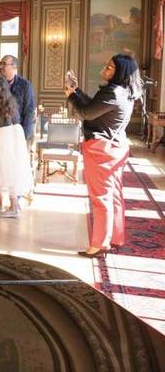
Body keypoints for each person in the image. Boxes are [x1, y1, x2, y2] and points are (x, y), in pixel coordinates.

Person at [65, 54, 139, 258]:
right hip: (116, 146)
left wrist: (71, 95)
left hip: (102, 149)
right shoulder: (125, 91)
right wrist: (77, 91)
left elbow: (86, 113)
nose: (104, 69)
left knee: (101, 197)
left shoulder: (113, 92)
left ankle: (100, 244)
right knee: (114, 195)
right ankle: (115, 237)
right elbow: (94, 108)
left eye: (109, 67)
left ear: (120, 71)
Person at [0, 55, 36, 208]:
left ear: (14, 67)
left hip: (16, 132)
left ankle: (15, 201)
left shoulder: (25, 85)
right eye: (0, 63)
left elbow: (29, 111)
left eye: (5, 64)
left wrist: (24, 135)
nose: (1, 66)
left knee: (13, 167)